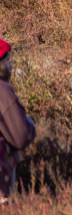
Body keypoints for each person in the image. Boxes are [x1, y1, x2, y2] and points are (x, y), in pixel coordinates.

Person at [0, 39, 36, 204]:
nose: (11, 66)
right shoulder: (2, 91)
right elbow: (21, 136)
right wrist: (30, 124)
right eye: (7, 61)